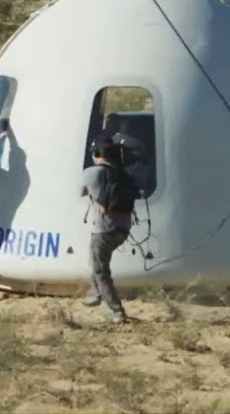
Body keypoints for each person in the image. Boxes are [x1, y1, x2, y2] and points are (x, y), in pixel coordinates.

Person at [80, 139, 136, 324]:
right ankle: (95, 294)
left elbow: (80, 192)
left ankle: (117, 311)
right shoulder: (123, 174)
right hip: (123, 227)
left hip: (103, 228)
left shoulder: (90, 172)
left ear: (97, 155)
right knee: (97, 262)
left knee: (101, 270)